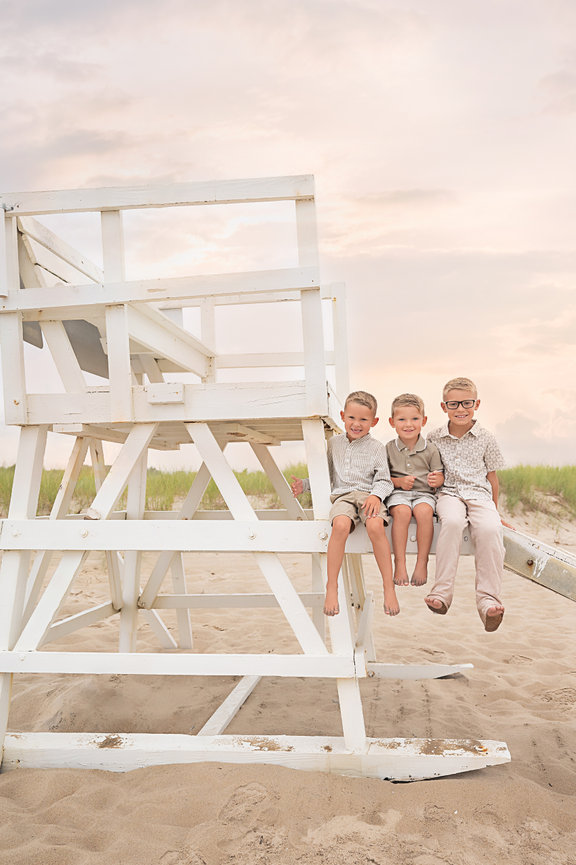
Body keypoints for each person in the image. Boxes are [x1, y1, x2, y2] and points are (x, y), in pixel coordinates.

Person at [290, 390, 399, 618]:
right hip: (343, 496)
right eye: (351, 418)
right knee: (339, 525)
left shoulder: (377, 448)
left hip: (369, 495)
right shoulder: (334, 444)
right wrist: (305, 485)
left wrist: (376, 496)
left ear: (374, 421)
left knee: (375, 526)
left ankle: (388, 587)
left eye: (363, 419)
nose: (356, 424)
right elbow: (327, 476)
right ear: (343, 415)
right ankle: (332, 586)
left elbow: (385, 481)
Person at [426, 377, 506, 631]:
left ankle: (487, 601)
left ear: (476, 404)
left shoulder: (486, 438)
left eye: (466, 403)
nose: (460, 409)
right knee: (451, 523)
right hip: (448, 494)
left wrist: (495, 510)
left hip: (480, 496)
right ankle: (441, 593)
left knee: (490, 530)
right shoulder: (434, 437)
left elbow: (492, 478)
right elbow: (429, 469)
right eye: (454, 404)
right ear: (444, 407)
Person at [386, 393, 444, 587]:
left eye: (414, 419)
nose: (408, 424)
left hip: (424, 494)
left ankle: (422, 562)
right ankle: (400, 563)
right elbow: (383, 478)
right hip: (398, 494)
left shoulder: (431, 449)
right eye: (401, 419)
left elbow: (439, 475)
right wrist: (399, 482)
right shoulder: (388, 449)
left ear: (424, 421)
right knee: (402, 512)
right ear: (392, 422)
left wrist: (437, 479)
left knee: (424, 512)